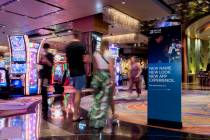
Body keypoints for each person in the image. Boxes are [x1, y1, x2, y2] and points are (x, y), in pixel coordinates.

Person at [89, 40, 116, 129]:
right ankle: (100, 122)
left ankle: (94, 120)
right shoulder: (110, 54)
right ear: (108, 45)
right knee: (106, 98)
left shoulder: (95, 54)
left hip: (97, 77)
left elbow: (95, 67)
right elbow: (111, 68)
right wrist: (113, 80)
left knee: (97, 99)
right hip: (106, 77)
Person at [65, 32, 89, 122]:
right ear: (79, 35)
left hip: (72, 73)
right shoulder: (81, 46)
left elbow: (67, 60)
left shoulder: (68, 46)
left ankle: (75, 113)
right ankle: (75, 115)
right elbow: (86, 60)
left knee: (75, 93)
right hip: (80, 72)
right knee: (78, 93)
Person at [39, 43, 54, 113]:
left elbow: (50, 65)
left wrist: (45, 58)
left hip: (46, 76)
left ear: (48, 48)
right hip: (42, 75)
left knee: (44, 89)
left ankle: (45, 105)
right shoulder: (42, 55)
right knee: (43, 90)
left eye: (46, 48)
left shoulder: (50, 55)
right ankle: (44, 103)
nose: (45, 49)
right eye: (44, 48)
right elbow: (40, 64)